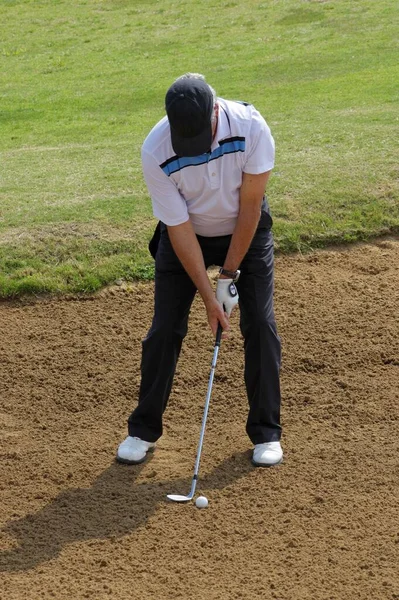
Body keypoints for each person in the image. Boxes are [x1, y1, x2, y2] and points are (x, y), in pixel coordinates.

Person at [117, 73, 283, 467]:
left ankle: (267, 433)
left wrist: (228, 276)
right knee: (164, 329)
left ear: (215, 111)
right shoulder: (155, 150)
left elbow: (250, 207)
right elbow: (178, 227)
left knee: (259, 325)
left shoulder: (251, 127)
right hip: (186, 235)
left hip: (242, 229)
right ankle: (142, 430)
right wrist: (210, 299)